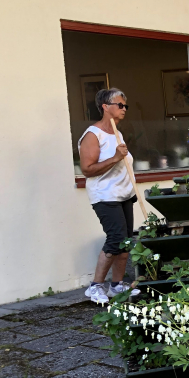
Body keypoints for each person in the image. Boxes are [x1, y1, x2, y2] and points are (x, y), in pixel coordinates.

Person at [78, 88, 138, 304]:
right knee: (115, 239)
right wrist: (114, 158)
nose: (124, 109)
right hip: (105, 196)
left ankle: (116, 285)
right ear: (105, 106)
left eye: (125, 106)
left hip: (124, 195)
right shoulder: (93, 135)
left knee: (126, 241)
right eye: (120, 105)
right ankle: (95, 287)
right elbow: (87, 169)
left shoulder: (117, 133)